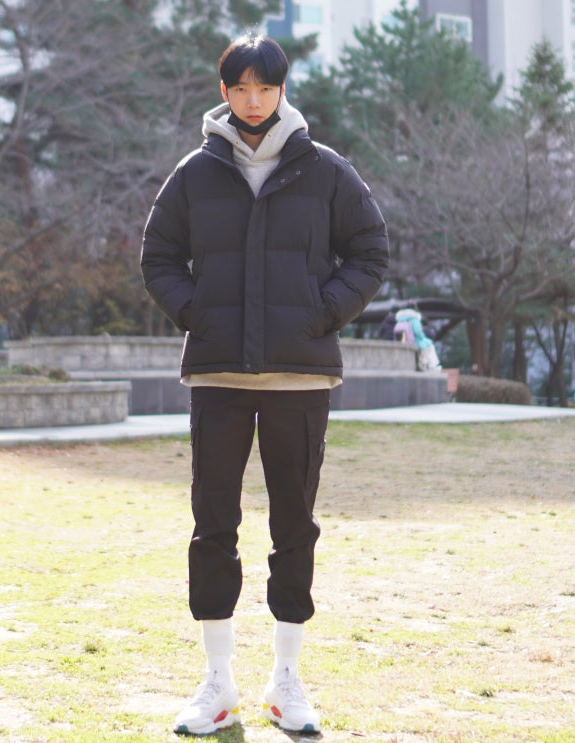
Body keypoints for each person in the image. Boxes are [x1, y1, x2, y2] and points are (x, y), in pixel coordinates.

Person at [141, 34, 389, 736]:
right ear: (224, 92)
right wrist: (199, 314)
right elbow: (157, 257)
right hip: (217, 375)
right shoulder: (194, 173)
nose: (253, 100)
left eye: (265, 87)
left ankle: (287, 682)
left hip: (299, 378)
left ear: (282, 90)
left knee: (294, 527)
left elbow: (370, 251)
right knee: (213, 525)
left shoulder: (326, 170)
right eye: (241, 88)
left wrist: (320, 313)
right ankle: (216, 683)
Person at [394, 306, 442, 371]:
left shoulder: (400, 320)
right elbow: (417, 331)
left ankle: (426, 364)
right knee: (429, 345)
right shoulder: (414, 318)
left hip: (404, 341)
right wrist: (423, 336)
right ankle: (429, 365)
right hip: (414, 341)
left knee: (427, 344)